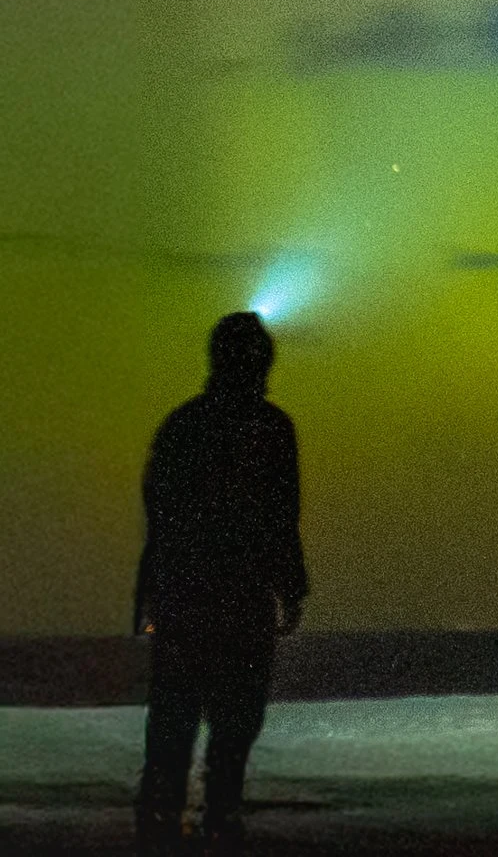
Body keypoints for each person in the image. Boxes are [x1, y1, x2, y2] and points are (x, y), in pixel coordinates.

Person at [133, 311, 307, 849]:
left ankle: (162, 817)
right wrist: (291, 582)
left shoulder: (182, 424)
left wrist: (150, 593)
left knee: (175, 715)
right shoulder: (273, 429)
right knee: (236, 715)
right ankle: (219, 812)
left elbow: (158, 512)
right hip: (240, 592)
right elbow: (281, 516)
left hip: (186, 590)